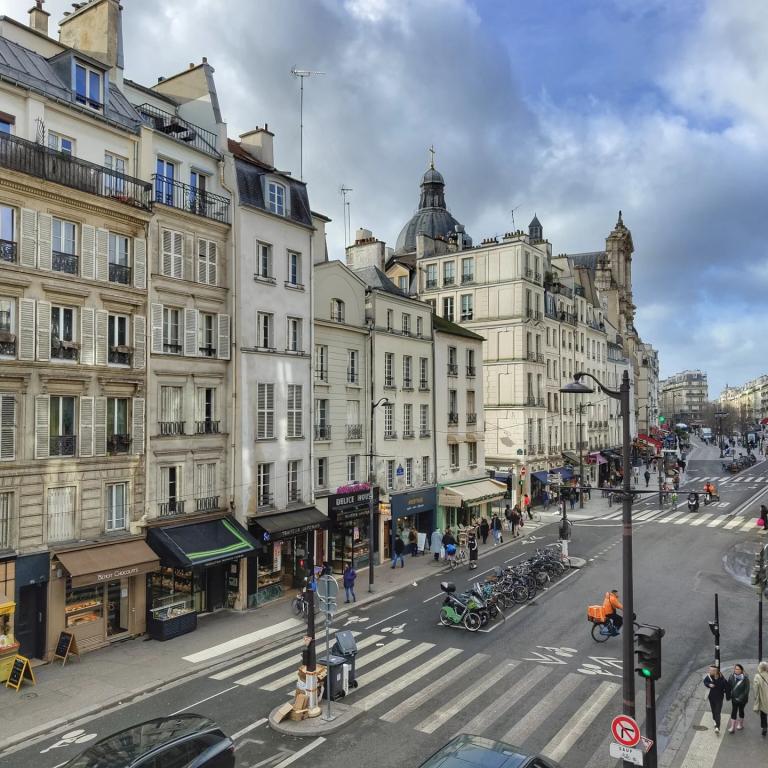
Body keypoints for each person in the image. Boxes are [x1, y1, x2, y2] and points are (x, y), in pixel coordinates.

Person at [703, 666, 729, 734]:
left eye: (711, 670)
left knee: (717, 712)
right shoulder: (708, 677)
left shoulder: (722, 679)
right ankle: (714, 721)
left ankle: (717, 727)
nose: (709, 671)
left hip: (719, 699)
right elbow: (705, 682)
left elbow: (727, 687)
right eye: (709, 670)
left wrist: (728, 695)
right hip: (711, 698)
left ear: (715, 672)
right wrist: (708, 684)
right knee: (713, 711)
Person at [727, 663, 750, 733]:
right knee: (734, 711)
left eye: (738, 669)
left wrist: (740, 697)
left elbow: (747, 690)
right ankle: (732, 727)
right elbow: (728, 687)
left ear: (741, 670)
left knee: (741, 711)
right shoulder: (731, 677)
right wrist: (728, 695)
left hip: (743, 700)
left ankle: (740, 724)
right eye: (735, 669)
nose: (736, 670)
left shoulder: (745, 678)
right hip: (734, 698)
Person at [753, 660, 768, 736]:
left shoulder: (757, 676)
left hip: (763, 698)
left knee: (763, 713)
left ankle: (764, 727)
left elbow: (755, 689)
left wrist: (756, 697)